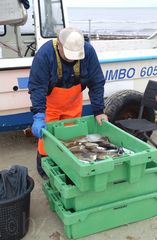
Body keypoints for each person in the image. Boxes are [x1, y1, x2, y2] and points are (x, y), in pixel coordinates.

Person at [28, 27, 108, 178]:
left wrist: (99, 110)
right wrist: (38, 115)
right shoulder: (44, 55)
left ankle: (68, 167)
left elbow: (96, 82)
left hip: (73, 103)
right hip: (50, 105)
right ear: (59, 45)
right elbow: (37, 86)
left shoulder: (88, 51)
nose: (72, 59)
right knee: (47, 142)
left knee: (72, 138)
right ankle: (45, 169)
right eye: (68, 55)